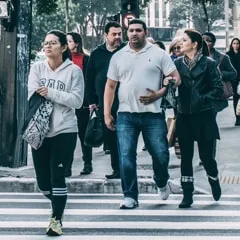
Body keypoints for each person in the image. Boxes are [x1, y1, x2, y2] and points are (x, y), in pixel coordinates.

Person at [104, 19, 181, 209]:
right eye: (131, 30)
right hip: (126, 115)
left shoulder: (159, 54)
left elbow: (176, 78)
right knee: (126, 156)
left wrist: (160, 93)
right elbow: (111, 86)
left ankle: (162, 181)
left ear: (145, 32)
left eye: (138, 30)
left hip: (153, 115)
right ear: (127, 32)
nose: (134, 33)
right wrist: (107, 113)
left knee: (161, 154)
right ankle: (130, 196)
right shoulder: (119, 56)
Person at [28, 30, 84, 236]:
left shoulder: (73, 71)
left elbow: (77, 101)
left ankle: (56, 219)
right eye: (45, 43)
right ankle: (59, 202)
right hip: (39, 130)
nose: (48, 46)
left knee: (57, 177)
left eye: (52, 43)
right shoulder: (37, 68)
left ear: (63, 47)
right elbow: (33, 93)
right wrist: (59, 95)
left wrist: (50, 92)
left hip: (65, 129)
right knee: (43, 183)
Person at [174, 29, 223, 208]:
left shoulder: (209, 64)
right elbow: (171, 85)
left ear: (194, 44)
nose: (181, 42)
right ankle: (187, 194)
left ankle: (214, 179)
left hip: (204, 115)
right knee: (186, 157)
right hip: (184, 116)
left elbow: (218, 89)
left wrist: (202, 99)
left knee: (206, 156)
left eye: (184, 40)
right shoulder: (177, 64)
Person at [86, 21, 125, 179]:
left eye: (119, 34)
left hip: (125, 101)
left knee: (125, 138)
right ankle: (116, 169)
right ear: (106, 35)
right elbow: (89, 78)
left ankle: (126, 169)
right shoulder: (97, 53)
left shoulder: (126, 51)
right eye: (114, 34)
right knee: (111, 137)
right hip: (105, 103)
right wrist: (92, 101)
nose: (117, 37)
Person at [66, 32, 92, 176]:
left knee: (83, 135)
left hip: (83, 103)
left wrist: (92, 102)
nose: (67, 43)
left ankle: (88, 163)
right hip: (67, 102)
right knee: (68, 135)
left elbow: (89, 81)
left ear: (76, 43)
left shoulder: (86, 59)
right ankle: (67, 166)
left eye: (69, 41)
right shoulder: (64, 59)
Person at [202, 32, 237, 113]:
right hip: (199, 93)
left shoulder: (222, 57)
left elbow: (233, 74)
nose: (205, 43)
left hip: (214, 93)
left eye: (208, 40)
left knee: (210, 119)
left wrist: (220, 73)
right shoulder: (194, 55)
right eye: (203, 40)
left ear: (213, 43)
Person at [226, 38, 240, 126]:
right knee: (236, 98)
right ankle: (237, 118)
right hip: (233, 80)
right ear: (231, 45)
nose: (236, 45)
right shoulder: (228, 55)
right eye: (234, 43)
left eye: (237, 43)